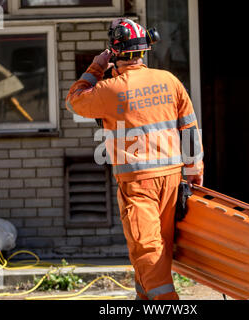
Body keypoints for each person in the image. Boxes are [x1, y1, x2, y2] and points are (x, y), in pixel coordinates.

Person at [66, 18, 204, 300]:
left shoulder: (109, 89)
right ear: (145, 49)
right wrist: (194, 171)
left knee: (147, 249)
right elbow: (189, 128)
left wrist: (97, 66)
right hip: (172, 180)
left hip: (138, 184)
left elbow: (74, 100)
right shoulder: (169, 81)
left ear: (115, 52)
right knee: (158, 246)